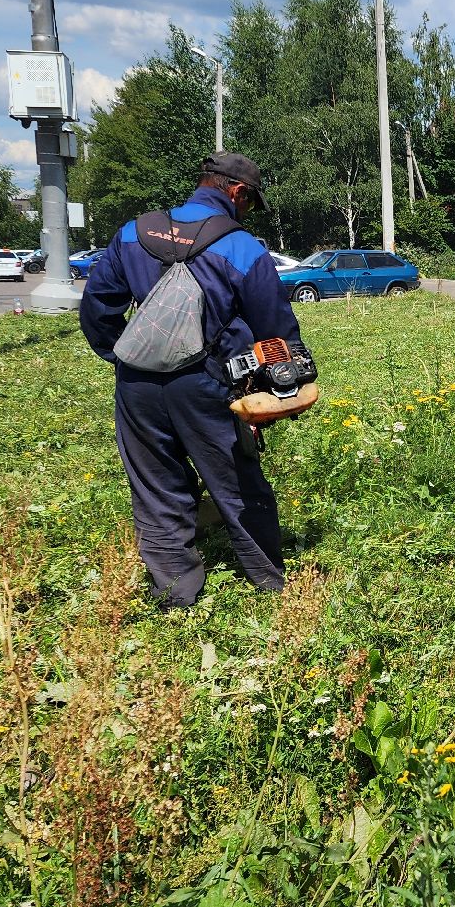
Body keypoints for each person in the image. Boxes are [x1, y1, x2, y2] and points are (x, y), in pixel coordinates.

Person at [80, 152, 303, 608]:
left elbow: (97, 310)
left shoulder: (133, 232)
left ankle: (174, 593)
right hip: (209, 383)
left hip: (137, 386)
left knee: (155, 485)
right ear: (237, 192)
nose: (247, 211)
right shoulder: (241, 247)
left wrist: (126, 358)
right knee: (237, 483)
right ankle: (268, 582)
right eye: (249, 202)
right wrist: (285, 382)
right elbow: (274, 330)